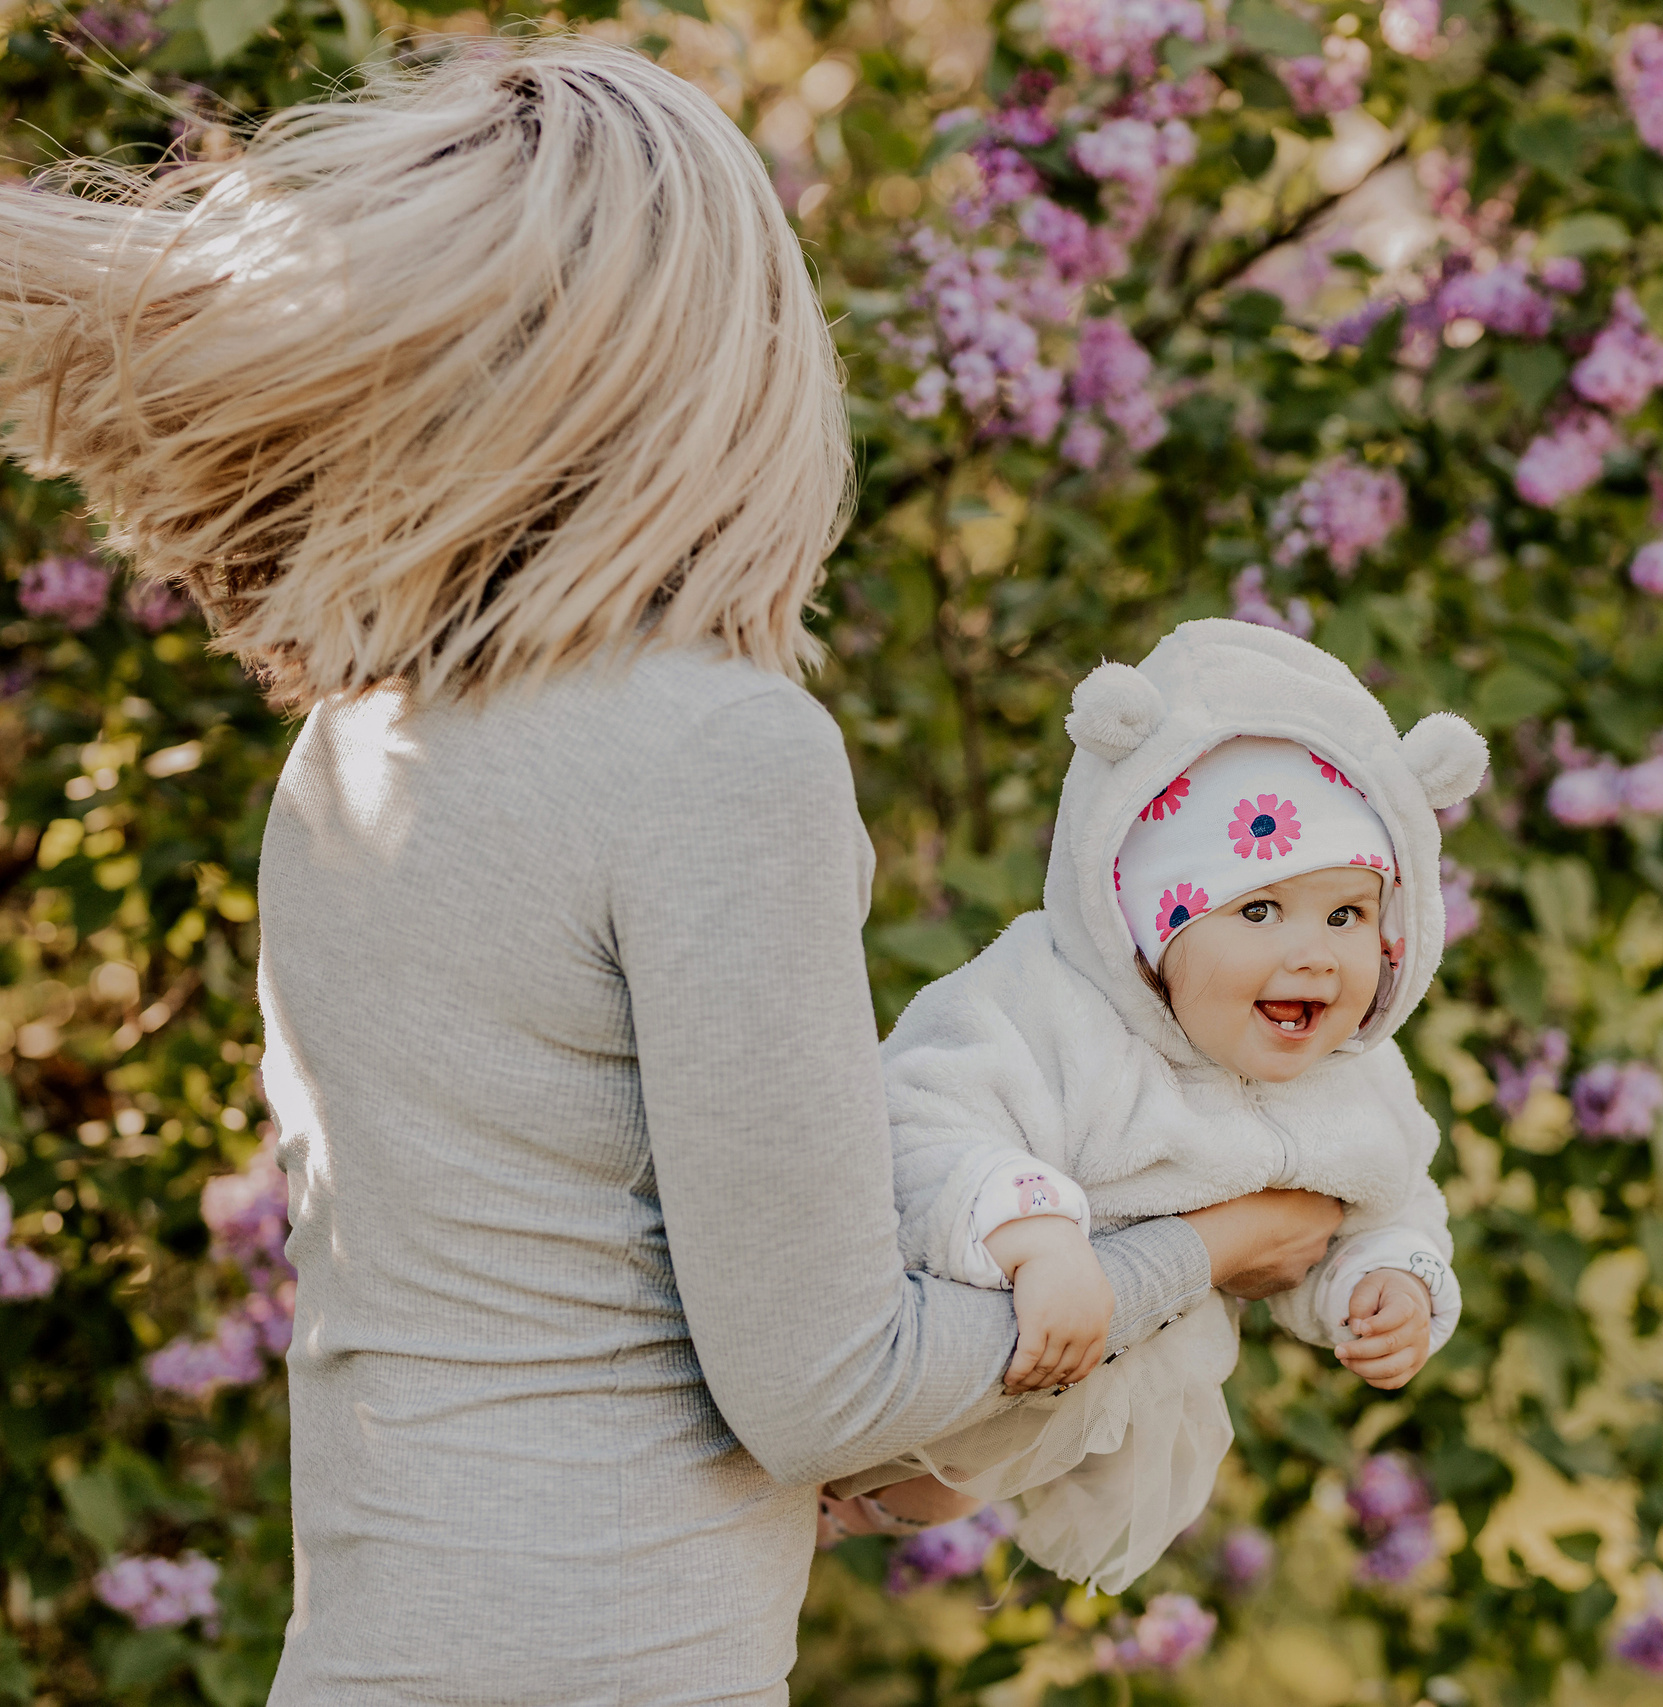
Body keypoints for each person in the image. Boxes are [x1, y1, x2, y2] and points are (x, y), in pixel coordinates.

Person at [0, 43, 1341, 1704]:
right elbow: (826, 1388)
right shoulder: (721, 755)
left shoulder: (353, 751)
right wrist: (1218, 1241)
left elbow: (584, 1333)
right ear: (720, 368)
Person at [829, 619, 1489, 1591]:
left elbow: (1378, 1204)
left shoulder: (1351, 1081)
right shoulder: (1052, 1012)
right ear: (1147, 929)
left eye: (1347, 916)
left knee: (947, 1492)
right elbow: (917, 1118)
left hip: (1079, 1397)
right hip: (901, 1348)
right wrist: (1036, 1237)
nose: (1313, 952)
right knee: (897, 1469)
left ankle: (852, 1514)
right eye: (1257, 910)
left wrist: (1385, 1283)